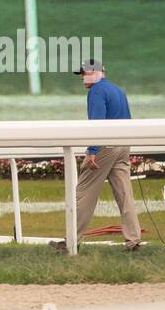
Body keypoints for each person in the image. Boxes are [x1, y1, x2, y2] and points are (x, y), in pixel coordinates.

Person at [53, 60, 141, 253]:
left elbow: (97, 122)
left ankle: (71, 241)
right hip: (123, 146)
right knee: (125, 195)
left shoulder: (96, 92)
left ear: (95, 72)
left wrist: (92, 151)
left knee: (84, 194)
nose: (82, 78)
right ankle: (133, 240)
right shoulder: (118, 90)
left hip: (104, 148)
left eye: (83, 74)